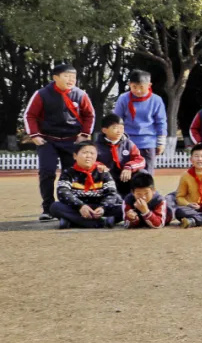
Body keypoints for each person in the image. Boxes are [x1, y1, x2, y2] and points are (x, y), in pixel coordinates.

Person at [23, 64, 95, 221]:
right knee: (47, 172)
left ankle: (69, 207)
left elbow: (90, 115)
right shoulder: (42, 94)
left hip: (72, 140)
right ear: (55, 78)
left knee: (71, 174)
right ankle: (48, 208)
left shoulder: (80, 94)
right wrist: (34, 135)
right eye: (66, 76)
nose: (71, 80)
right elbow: (30, 115)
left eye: (73, 77)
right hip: (48, 140)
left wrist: (84, 134)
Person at [48, 141, 123, 228]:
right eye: (84, 153)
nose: (89, 156)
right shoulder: (68, 173)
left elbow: (112, 193)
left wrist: (103, 208)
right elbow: (62, 192)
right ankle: (102, 222)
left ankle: (72, 222)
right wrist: (81, 206)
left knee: (123, 208)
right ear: (75, 156)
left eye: (92, 153)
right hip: (76, 208)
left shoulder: (103, 172)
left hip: (99, 207)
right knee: (55, 207)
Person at [113, 70, 167, 173]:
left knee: (147, 175)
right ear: (129, 85)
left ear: (149, 85)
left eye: (141, 87)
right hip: (127, 142)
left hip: (148, 143)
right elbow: (117, 120)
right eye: (134, 87)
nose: (137, 91)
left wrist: (161, 143)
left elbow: (161, 122)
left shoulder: (156, 100)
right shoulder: (123, 99)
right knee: (127, 173)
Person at [95, 114, 146, 197]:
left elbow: (140, 160)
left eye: (121, 128)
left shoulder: (129, 144)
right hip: (107, 178)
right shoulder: (96, 146)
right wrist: (99, 166)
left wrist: (129, 167)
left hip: (126, 177)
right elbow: (90, 162)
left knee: (142, 173)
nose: (119, 131)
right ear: (104, 130)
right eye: (115, 128)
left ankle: (140, 197)